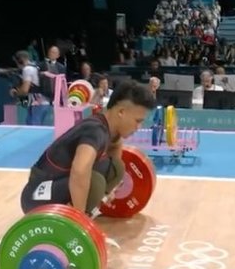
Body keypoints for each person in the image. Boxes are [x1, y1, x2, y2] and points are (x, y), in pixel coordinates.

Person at [20, 80, 156, 215]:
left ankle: (86, 209)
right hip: (36, 198)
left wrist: (110, 190)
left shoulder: (109, 127)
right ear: (121, 112)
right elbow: (79, 173)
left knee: (116, 168)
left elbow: (115, 149)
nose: (139, 127)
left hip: (59, 184)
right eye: (138, 121)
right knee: (95, 183)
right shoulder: (94, 130)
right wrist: (79, 218)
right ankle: (75, 218)